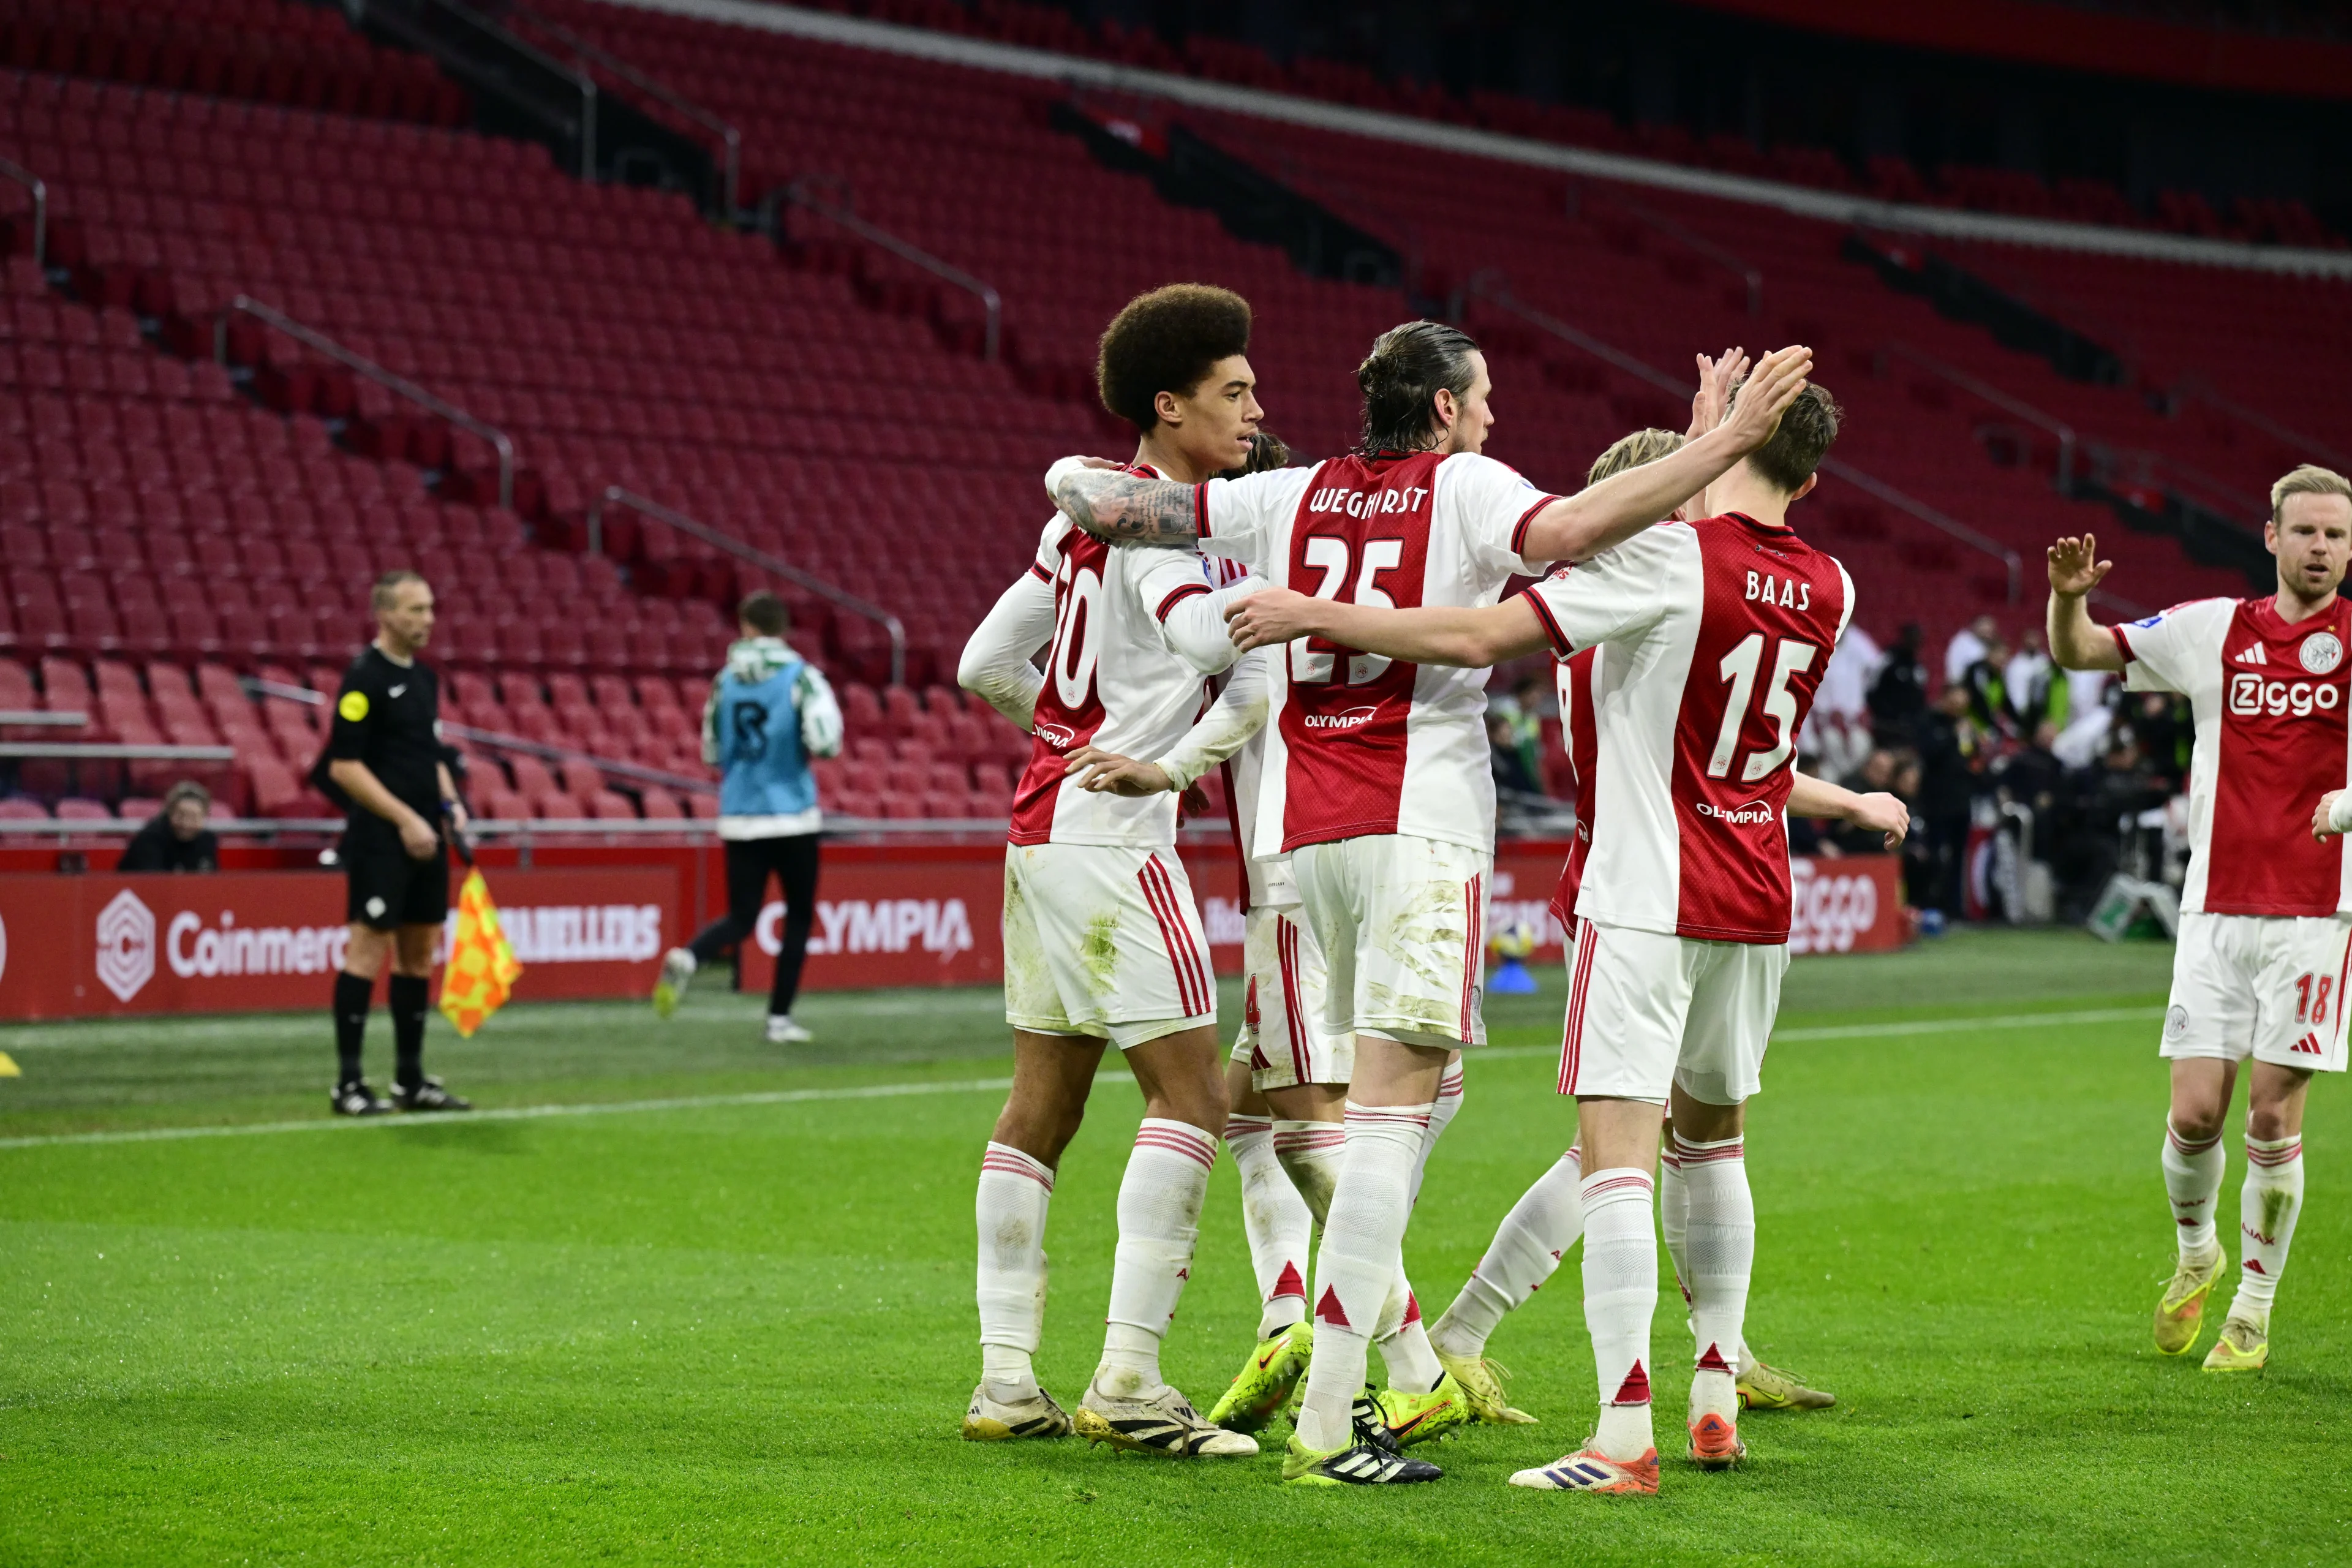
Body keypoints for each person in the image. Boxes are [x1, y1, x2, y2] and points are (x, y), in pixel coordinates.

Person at [1047, 324, 1815, 1486]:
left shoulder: (1284, 493)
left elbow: (1114, 510)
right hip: (1422, 830)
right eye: (1487, 400)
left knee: (1373, 1115)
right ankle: (1337, 1416)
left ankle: (1362, 1370)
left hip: (1311, 836)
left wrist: (1069, 477)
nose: (1497, 417)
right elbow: (1567, 535)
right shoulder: (1468, 486)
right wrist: (1727, 447)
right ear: (1447, 411)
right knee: (1392, 1128)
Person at [1221, 377, 1877, 1495]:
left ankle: (1623, 1436)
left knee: (1616, 1157)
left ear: (1722, 452)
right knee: (1713, 1142)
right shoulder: (1833, 583)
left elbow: (1482, 631)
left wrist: (1314, 611)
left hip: (1641, 888)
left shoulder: (1660, 564)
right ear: (1809, 478)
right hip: (1758, 893)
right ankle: (1715, 1393)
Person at [1419, 422, 1860, 1434]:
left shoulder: (1647, 594)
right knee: (1639, 1145)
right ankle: (1496, 1339)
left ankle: (1704, 1351)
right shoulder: (1668, 588)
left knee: (1645, 1140)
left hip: (1661, 878)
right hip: (1653, 885)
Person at [954, 284, 1273, 1460]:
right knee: (1192, 1100)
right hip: (1115, 844)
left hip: (1038, 834)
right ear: (1168, 405)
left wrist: (1066, 735)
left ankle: (1003, 1383)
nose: (1252, 410)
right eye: (1232, 393)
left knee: (1042, 1109)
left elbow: (987, 661)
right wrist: (1160, 757)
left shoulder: (1079, 521)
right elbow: (1204, 641)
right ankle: (1131, 1381)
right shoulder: (1157, 532)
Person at [2047, 463, 2352, 1374]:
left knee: (2269, 1116)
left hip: (2315, 917)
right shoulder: (2215, 629)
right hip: (2214, 912)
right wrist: (2068, 603)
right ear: (2271, 536)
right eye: (2306, 532)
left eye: (2336, 535)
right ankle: (2196, 1255)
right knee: (2193, 1117)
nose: (2321, 549)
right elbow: (2082, 652)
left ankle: (2253, 1313)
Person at [651, 591, 843, 1043]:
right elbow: (826, 741)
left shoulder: (724, 682)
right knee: (797, 917)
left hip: (739, 813)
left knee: (742, 915)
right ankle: (779, 1019)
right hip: (792, 815)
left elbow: (711, 750)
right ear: (782, 628)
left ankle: (691, 957)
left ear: (745, 625)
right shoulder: (802, 677)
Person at [322, 570, 470, 1118]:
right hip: (383, 839)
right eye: (415, 610)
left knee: (418, 956)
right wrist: (406, 820)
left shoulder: (426, 679)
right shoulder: (363, 679)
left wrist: (449, 805)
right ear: (384, 614)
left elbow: (428, 754)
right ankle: (350, 1084)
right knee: (367, 949)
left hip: (426, 837)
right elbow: (344, 766)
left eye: (430, 609)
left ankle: (410, 1079)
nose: (427, 620)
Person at [117, 780, 218, 872]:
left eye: (194, 818)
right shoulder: (150, 839)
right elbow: (152, 883)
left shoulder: (207, 841)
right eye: (180, 815)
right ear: (169, 812)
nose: (186, 824)